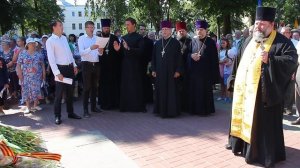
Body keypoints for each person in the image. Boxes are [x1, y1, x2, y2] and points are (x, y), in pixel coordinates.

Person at [227, 7, 298, 167]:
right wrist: (232, 78)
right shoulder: (249, 40)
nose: (258, 27)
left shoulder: (282, 42)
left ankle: (262, 154)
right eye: (257, 23)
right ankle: (240, 145)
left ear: (272, 24)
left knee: (262, 125)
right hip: (245, 92)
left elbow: (291, 60)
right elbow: (238, 60)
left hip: (265, 95)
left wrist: (270, 59)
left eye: (262, 24)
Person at [46, 20, 82, 125]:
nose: (62, 27)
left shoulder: (64, 38)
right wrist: (57, 73)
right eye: (60, 25)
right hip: (60, 70)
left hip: (69, 69)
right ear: (54, 27)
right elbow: (51, 59)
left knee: (70, 92)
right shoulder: (50, 41)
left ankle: (70, 112)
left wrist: (74, 65)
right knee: (59, 94)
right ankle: (57, 116)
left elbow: (69, 54)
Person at [188, 20, 220, 116]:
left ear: (206, 31)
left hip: (205, 73)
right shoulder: (192, 41)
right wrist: (191, 56)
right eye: (198, 29)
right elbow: (187, 54)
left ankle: (205, 110)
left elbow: (214, 59)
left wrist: (201, 58)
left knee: (204, 92)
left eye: (201, 29)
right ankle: (194, 110)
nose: (199, 31)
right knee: (194, 91)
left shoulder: (210, 42)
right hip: (194, 73)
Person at [151, 20, 182, 118]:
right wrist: (153, 69)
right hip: (159, 72)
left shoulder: (175, 43)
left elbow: (179, 58)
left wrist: (178, 70)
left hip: (171, 72)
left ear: (170, 30)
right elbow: (153, 58)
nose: (164, 31)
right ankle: (161, 111)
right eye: (162, 29)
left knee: (171, 92)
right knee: (160, 91)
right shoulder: (157, 43)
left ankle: (171, 112)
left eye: (166, 29)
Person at [119, 17, 145, 112]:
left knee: (136, 85)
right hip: (126, 65)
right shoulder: (124, 37)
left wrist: (129, 48)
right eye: (125, 24)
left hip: (136, 65)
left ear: (134, 25)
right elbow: (121, 53)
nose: (126, 26)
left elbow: (141, 51)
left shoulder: (139, 38)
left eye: (128, 24)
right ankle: (126, 106)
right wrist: (118, 49)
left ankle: (137, 107)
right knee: (126, 85)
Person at [78, 21, 102, 118]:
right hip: (86, 65)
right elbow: (81, 53)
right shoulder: (81, 39)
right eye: (90, 27)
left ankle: (93, 107)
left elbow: (100, 54)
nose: (92, 29)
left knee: (95, 87)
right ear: (85, 28)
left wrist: (101, 51)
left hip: (96, 64)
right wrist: (90, 48)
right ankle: (85, 110)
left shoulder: (97, 38)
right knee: (87, 87)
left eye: (93, 27)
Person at [98, 19, 122, 110]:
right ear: (102, 28)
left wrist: (118, 50)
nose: (106, 30)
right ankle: (104, 103)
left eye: (108, 28)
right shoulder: (99, 38)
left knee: (113, 85)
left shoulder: (114, 38)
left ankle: (114, 103)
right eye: (105, 28)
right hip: (103, 67)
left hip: (113, 66)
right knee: (104, 85)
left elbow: (120, 52)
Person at [16, 38, 46, 113]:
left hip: (37, 76)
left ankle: (35, 105)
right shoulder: (22, 53)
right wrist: (19, 74)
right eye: (31, 43)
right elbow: (18, 65)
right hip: (26, 76)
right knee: (26, 90)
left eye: (34, 43)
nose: (33, 45)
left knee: (36, 90)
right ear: (27, 45)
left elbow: (42, 65)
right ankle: (28, 107)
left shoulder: (39, 54)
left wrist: (44, 75)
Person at [175, 21, 192, 112]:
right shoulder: (174, 42)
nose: (181, 32)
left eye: (183, 31)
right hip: (177, 69)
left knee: (187, 88)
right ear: (177, 32)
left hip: (187, 69)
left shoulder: (190, 42)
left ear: (186, 31)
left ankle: (187, 107)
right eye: (179, 31)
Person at [280, 26, 296, 115]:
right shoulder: (279, 42)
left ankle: (288, 108)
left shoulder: (294, 43)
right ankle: (281, 107)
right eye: (281, 33)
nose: (282, 34)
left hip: (290, 70)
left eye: (284, 32)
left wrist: (293, 71)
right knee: (280, 89)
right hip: (280, 70)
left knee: (289, 90)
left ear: (289, 34)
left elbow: (295, 59)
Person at [139, 23, 154, 104]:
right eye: (141, 29)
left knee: (147, 81)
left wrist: (150, 64)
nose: (143, 31)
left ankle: (148, 98)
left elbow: (151, 54)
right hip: (138, 64)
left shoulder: (149, 41)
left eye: (144, 29)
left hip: (147, 64)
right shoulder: (137, 39)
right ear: (139, 30)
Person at [291, 40, 300, 125]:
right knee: (297, 93)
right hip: (298, 67)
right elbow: (296, 56)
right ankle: (299, 116)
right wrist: (294, 70)